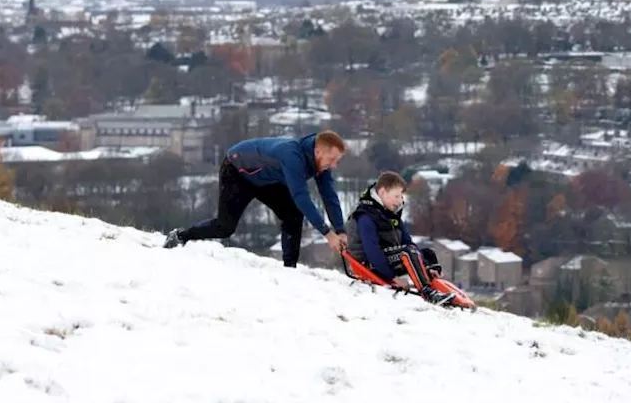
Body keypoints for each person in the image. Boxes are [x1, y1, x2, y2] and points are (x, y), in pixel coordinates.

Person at [164, 130, 349, 267]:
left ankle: (289, 269)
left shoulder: (322, 165)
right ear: (318, 152)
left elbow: (329, 195)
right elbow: (300, 195)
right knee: (225, 227)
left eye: (337, 161)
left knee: (292, 214)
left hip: (265, 179)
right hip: (237, 171)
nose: (334, 165)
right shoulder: (292, 156)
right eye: (332, 159)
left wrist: (340, 230)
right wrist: (327, 233)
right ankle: (181, 236)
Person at [346, 171, 455, 306]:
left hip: (387, 258)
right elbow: (372, 252)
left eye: (401, 196)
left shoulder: (390, 214)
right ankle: (427, 293)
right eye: (396, 196)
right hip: (369, 266)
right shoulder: (365, 216)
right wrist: (394, 278)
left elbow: (407, 242)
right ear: (383, 192)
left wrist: (426, 265)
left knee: (427, 253)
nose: (399, 201)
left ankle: (435, 284)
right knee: (408, 252)